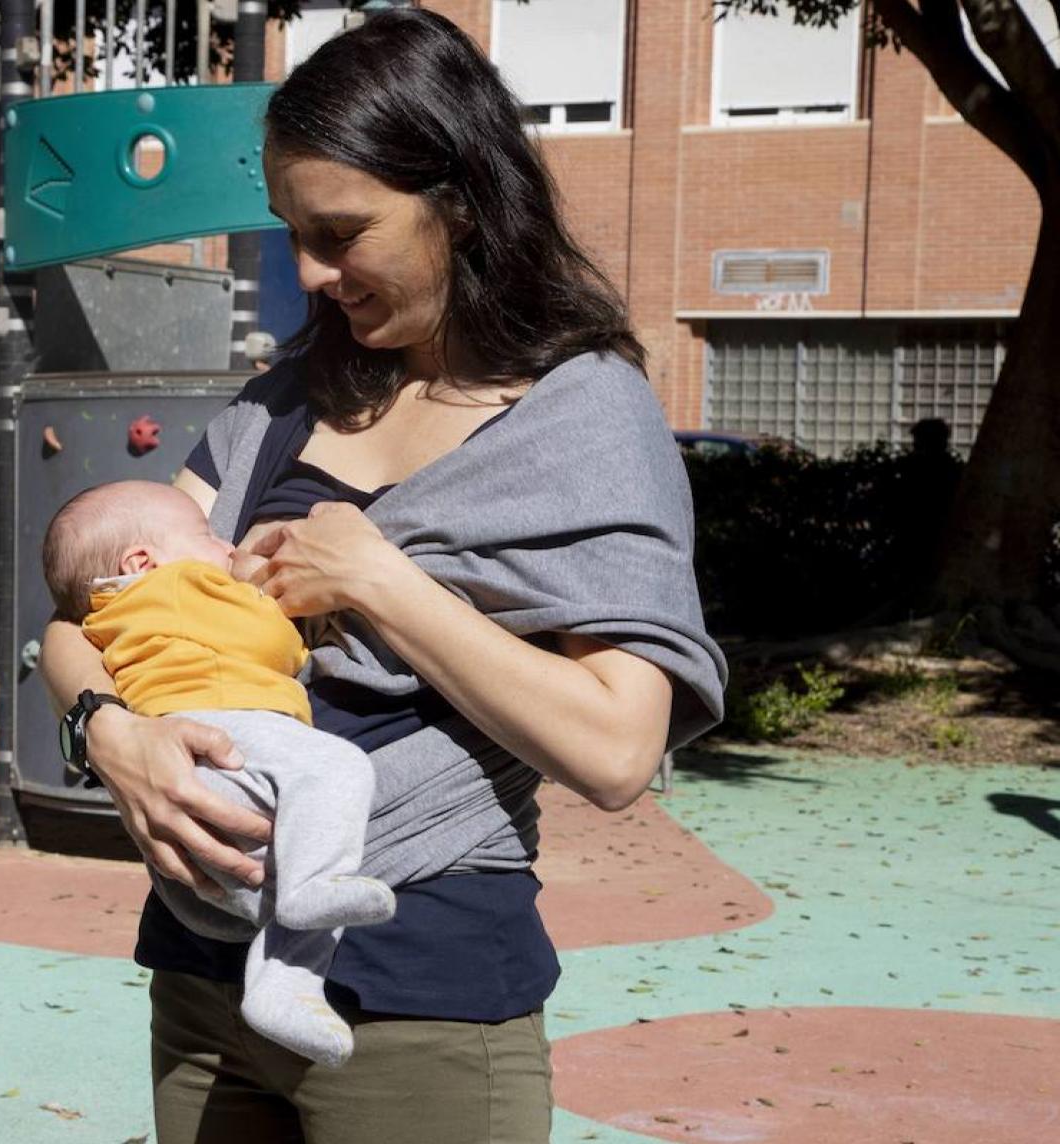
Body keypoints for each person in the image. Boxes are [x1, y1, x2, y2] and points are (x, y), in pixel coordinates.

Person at [38, 9, 727, 1144]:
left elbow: (618, 750)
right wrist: (113, 735)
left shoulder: (584, 417)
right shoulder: (293, 396)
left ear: (460, 200)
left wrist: (380, 580)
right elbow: (89, 613)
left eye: (342, 232)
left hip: (422, 991)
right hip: (206, 976)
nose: (310, 273)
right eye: (292, 232)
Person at [44, 478, 401, 1069]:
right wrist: (291, 612)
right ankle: (303, 923)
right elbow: (264, 639)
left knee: (278, 875)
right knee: (337, 770)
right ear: (143, 561)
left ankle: (283, 988)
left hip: (186, 761)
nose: (225, 547)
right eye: (207, 536)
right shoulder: (183, 586)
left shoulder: (110, 615)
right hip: (226, 727)